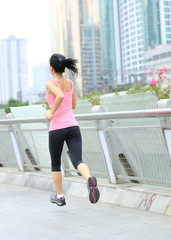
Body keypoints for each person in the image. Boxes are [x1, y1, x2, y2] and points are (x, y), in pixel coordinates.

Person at [45, 53, 100, 206]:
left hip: (57, 128)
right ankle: (89, 179)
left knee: (55, 164)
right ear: (63, 68)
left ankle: (60, 196)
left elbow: (60, 96)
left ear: (51, 68)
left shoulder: (50, 83)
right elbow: (73, 105)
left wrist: (51, 113)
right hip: (73, 126)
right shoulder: (70, 83)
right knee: (77, 160)